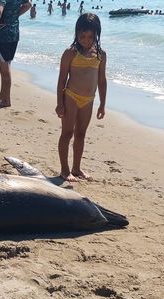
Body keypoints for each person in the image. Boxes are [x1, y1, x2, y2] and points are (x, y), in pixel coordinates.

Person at [55, 13, 106, 181]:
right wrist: (59, 103)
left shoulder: (100, 55)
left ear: (96, 35)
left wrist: (102, 104)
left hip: (89, 100)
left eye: (90, 36)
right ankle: (65, 169)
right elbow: (62, 78)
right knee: (67, 133)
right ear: (76, 34)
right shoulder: (70, 53)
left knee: (81, 134)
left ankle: (76, 168)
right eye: (82, 36)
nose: (86, 39)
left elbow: (101, 80)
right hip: (70, 97)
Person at [0, 0, 32, 107]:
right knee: (4, 65)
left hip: (4, 34)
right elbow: (28, 4)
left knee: (4, 68)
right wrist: (15, 14)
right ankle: (2, 95)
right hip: (14, 33)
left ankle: (6, 100)